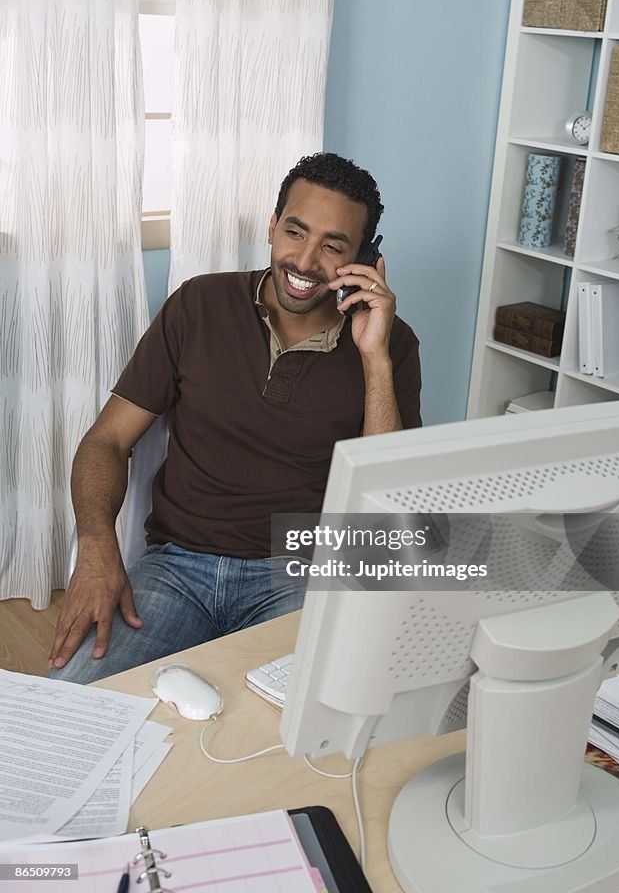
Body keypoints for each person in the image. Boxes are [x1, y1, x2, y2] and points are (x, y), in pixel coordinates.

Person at [49, 152, 421, 682]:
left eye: (333, 247)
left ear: (364, 258)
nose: (306, 260)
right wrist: (95, 548)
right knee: (71, 703)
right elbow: (107, 440)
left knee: (310, 730)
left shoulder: (392, 345)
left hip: (299, 576)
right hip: (176, 568)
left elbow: (391, 505)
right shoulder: (199, 304)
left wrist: (374, 357)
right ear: (272, 226)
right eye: (295, 231)